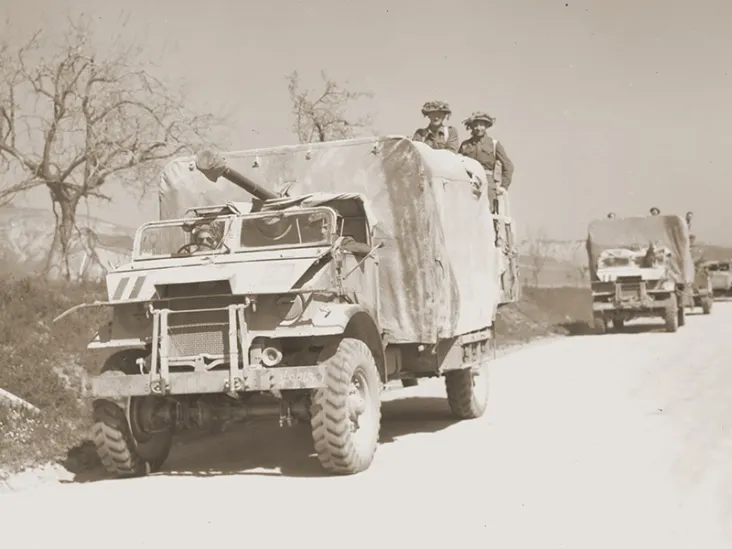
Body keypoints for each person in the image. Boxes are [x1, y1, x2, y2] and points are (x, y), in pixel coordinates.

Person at [458, 111, 515, 213]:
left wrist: (503, 187)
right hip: (467, 182)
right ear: (471, 127)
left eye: (481, 125)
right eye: (475, 125)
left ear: (486, 126)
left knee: (487, 213)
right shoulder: (465, 145)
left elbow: (508, 166)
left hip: (487, 183)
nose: (479, 128)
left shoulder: (494, 144)